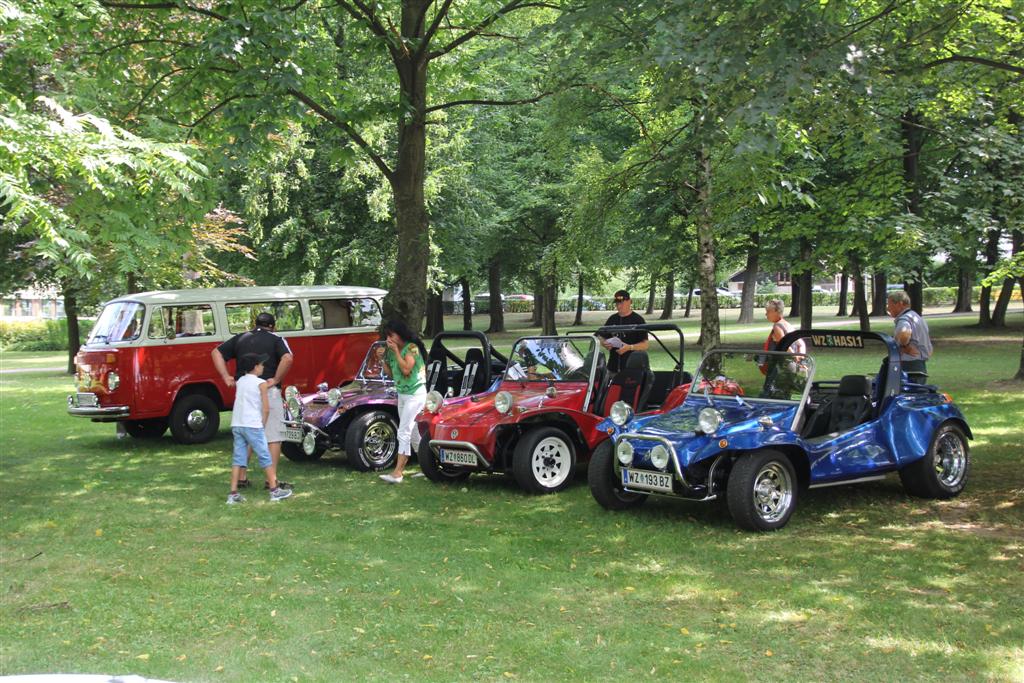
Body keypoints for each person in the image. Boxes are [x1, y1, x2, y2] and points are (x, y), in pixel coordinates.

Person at [212, 312, 294, 491]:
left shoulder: (241, 338)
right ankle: (271, 481)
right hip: (267, 389)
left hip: (243, 390)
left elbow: (216, 352)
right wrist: (277, 378)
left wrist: (225, 376)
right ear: (273, 326)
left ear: (254, 324)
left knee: (247, 432)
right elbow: (287, 358)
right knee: (273, 436)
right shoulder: (276, 339)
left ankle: (241, 477)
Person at [226, 353, 292, 503]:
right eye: (261, 364)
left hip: (237, 424)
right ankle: (274, 490)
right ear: (255, 367)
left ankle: (233, 493)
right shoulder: (261, 383)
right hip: (253, 425)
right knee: (265, 457)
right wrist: (262, 425)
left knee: (238, 458)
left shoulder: (240, 381)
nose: (263, 366)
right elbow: (266, 409)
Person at [378, 319, 427, 484]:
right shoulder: (393, 351)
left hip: (415, 394)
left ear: (400, 334)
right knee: (413, 434)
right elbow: (393, 375)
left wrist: (396, 352)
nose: (389, 339)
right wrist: (382, 360)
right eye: (387, 336)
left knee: (403, 431)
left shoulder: (411, 348)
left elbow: (406, 369)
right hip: (403, 394)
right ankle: (428, 466)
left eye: (391, 335)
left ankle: (398, 472)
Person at [886, 289, 932, 379]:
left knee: (907, 391)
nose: (888, 308)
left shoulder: (904, 319)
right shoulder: (916, 317)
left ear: (900, 304)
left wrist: (904, 347)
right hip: (920, 363)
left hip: (909, 364)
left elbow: (904, 334)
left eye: (890, 304)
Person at [600, 290, 649, 373]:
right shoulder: (612, 319)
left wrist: (629, 347)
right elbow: (599, 336)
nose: (619, 306)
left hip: (633, 369)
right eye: (617, 304)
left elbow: (645, 345)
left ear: (630, 302)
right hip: (612, 368)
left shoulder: (638, 320)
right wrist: (604, 343)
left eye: (622, 303)